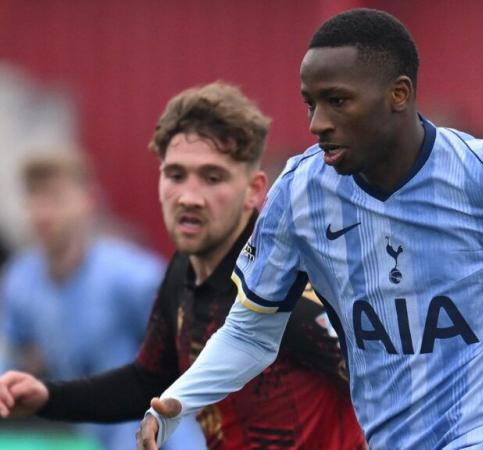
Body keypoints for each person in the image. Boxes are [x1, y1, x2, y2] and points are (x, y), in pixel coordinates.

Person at [138, 9, 483, 450]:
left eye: (337, 100)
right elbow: (253, 331)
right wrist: (178, 402)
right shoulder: (301, 193)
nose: (317, 122)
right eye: (310, 103)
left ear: (398, 94)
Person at [0, 82, 365, 450]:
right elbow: (150, 379)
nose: (189, 197)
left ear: (254, 191)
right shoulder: (183, 273)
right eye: (176, 175)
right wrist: (48, 397)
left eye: (212, 178)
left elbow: (384, 379)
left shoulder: (286, 285)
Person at [0, 151, 166, 450]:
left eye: (55, 198)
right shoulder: (20, 281)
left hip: (150, 435)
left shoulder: (136, 277)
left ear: (86, 201)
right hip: (76, 435)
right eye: (34, 198)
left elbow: (179, 362)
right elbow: (11, 358)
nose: (43, 212)